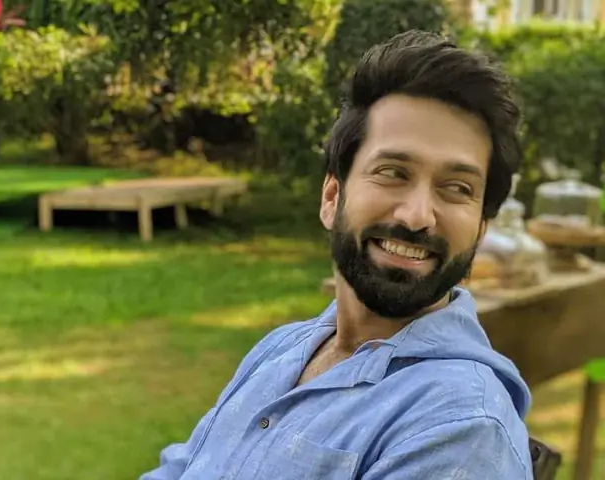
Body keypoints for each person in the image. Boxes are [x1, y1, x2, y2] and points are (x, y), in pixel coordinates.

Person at [140, 29, 533, 479]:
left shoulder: (460, 428)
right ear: (332, 197)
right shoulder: (284, 349)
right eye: (393, 172)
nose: (417, 216)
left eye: (457, 188)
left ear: (481, 228)